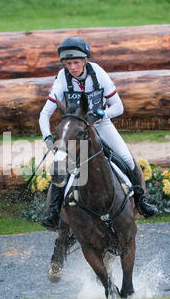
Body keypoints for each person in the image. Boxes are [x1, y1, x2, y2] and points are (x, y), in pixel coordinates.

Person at [39, 36, 158, 229]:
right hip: (76, 131)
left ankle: (142, 201)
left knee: (127, 160)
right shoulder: (62, 77)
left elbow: (119, 107)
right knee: (59, 169)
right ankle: (53, 213)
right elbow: (44, 114)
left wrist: (102, 113)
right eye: (68, 63)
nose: (72, 67)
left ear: (85, 60)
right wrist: (48, 139)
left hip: (101, 124)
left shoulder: (98, 73)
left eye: (76, 62)